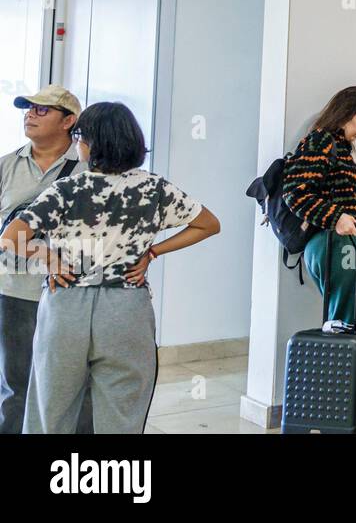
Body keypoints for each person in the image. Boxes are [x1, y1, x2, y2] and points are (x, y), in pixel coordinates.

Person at [0, 101, 221, 433]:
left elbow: (10, 237)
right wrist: (152, 252)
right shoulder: (154, 188)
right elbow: (208, 224)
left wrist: (49, 258)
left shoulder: (66, 190)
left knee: (51, 408)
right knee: (123, 408)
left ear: (89, 143)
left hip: (66, 300)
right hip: (126, 306)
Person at [0, 86, 93, 434]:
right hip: (16, 291)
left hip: (71, 295)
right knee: (16, 387)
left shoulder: (87, 171)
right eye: (28, 108)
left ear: (69, 121)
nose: (30, 114)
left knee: (74, 385)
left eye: (42, 110)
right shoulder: (7, 165)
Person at [282, 85, 356, 340]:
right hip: (334, 243)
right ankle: (346, 380)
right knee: (348, 326)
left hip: (350, 243)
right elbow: (295, 192)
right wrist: (336, 218)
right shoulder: (320, 141)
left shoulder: (342, 150)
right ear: (346, 113)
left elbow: (350, 205)